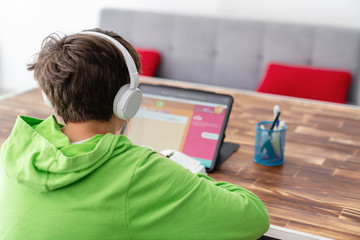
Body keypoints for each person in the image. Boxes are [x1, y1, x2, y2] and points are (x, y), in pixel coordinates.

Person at [0, 28, 269, 240]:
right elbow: (253, 217)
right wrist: (188, 174)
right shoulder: (141, 171)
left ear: (50, 96)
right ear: (127, 100)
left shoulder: (16, 149)